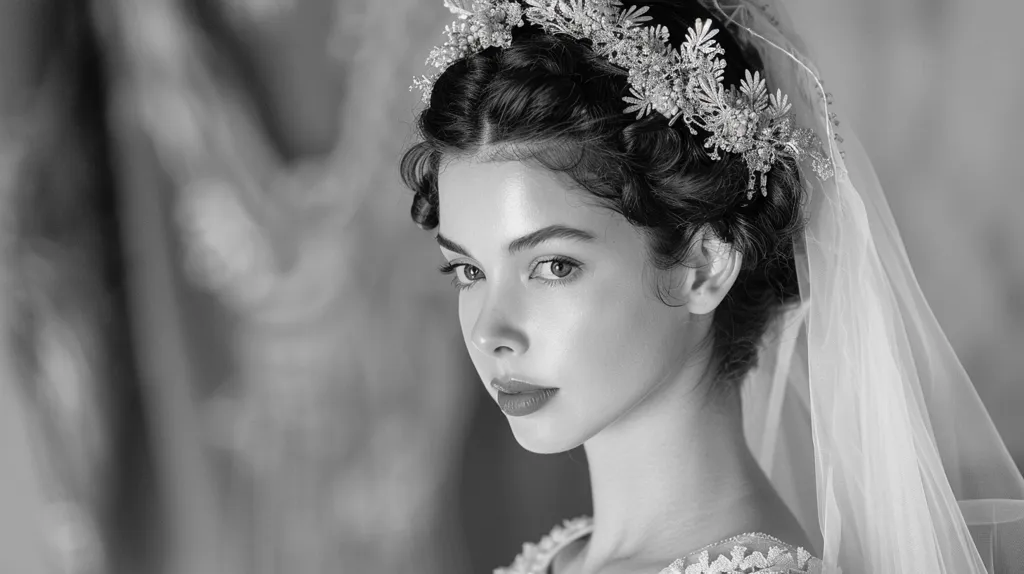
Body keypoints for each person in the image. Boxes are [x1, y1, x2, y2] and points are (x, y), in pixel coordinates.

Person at [400, 1, 1024, 572]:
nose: (489, 332)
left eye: (554, 266)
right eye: (469, 271)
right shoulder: (560, 559)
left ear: (704, 266)